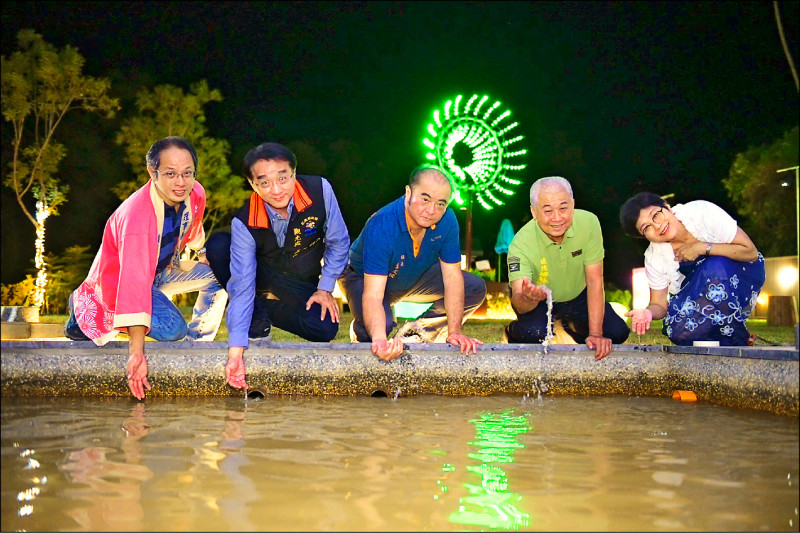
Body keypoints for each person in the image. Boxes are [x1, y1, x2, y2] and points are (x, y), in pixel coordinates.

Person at [65, 136, 227, 400]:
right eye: (171, 174)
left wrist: (203, 252)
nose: (181, 182)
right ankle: (83, 307)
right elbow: (134, 283)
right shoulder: (137, 218)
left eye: (187, 173)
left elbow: (194, 225)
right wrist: (136, 353)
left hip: (160, 271)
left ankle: (196, 346)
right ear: (153, 173)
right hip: (120, 283)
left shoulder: (194, 192)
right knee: (173, 329)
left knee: (221, 275)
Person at [205, 142, 350, 391]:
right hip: (264, 273)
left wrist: (325, 288)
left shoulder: (320, 190)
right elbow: (241, 284)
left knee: (324, 327)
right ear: (252, 184)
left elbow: (339, 242)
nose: (276, 190)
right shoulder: (244, 221)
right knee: (218, 245)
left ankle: (263, 307)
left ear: (294, 173)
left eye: (283, 178)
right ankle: (255, 315)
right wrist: (236, 352)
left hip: (301, 281)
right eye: (264, 182)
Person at [338, 164, 486, 361]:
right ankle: (362, 331)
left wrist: (455, 331)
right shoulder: (382, 225)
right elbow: (373, 294)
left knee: (474, 287)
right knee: (374, 330)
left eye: (441, 203)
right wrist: (380, 340)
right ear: (408, 193)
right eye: (425, 199)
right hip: (362, 278)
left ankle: (416, 332)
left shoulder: (447, 221)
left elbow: (452, 277)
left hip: (412, 276)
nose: (431, 210)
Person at [503, 176, 630, 360]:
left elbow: (594, 280)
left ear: (573, 205)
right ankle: (511, 332)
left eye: (563, 208)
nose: (557, 218)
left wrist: (595, 333)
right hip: (540, 300)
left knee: (616, 332)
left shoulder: (589, 223)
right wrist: (530, 298)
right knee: (534, 333)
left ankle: (569, 330)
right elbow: (518, 300)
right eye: (547, 210)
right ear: (534, 212)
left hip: (578, 295)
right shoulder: (520, 244)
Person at [619, 192, 765, 346]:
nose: (657, 225)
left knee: (714, 268)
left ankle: (738, 338)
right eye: (646, 227)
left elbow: (751, 252)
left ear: (666, 206)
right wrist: (647, 312)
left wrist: (702, 248)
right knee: (677, 331)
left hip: (741, 271)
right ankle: (727, 339)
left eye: (656, 215)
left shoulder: (701, 213)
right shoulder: (655, 256)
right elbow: (659, 304)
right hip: (698, 293)